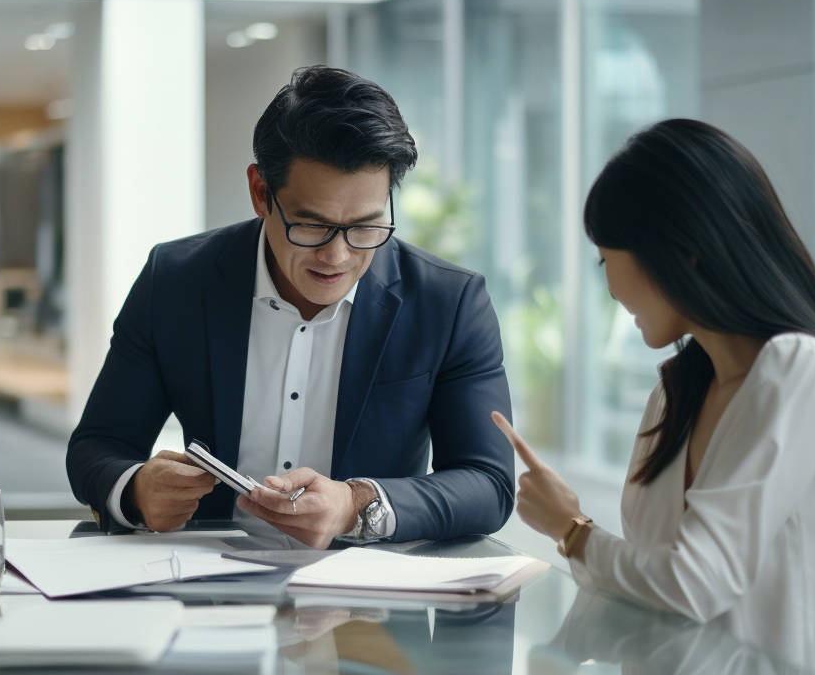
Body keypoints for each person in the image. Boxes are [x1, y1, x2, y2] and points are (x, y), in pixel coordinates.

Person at [492, 118, 815, 675]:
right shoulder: (679, 389)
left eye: (607, 259)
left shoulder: (798, 369)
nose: (610, 288)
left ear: (683, 253)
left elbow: (693, 585)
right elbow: (653, 582)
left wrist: (572, 530)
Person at [67, 66, 515, 547]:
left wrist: (355, 505)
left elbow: (488, 483)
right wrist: (136, 490)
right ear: (261, 192)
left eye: (366, 226)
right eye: (312, 225)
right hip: (209, 585)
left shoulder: (448, 302)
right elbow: (99, 446)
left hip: (370, 602)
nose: (337, 256)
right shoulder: (176, 281)